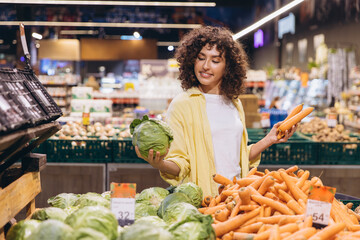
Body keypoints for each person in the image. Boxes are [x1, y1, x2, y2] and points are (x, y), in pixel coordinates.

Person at [135, 26, 297, 196]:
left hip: (236, 197)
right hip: (203, 201)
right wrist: (160, 164)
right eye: (201, 58)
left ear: (228, 66)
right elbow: (180, 163)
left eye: (215, 60)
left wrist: (269, 139)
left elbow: (237, 155)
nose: (206, 66)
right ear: (191, 60)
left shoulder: (234, 103)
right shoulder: (182, 104)